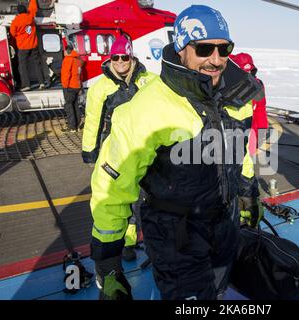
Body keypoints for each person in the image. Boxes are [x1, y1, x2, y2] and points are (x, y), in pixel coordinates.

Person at [88, 5, 264, 300]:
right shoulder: (148, 108)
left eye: (224, 49)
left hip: (225, 225)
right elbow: (112, 187)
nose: (216, 60)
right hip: (176, 236)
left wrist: (248, 191)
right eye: (205, 49)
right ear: (181, 49)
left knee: (217, 292)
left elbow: (239, 149)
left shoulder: (234, 96)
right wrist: (107, 262)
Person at [82, 35, 156, 262]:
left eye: (125, 57)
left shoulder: (150, 81)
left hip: (144, 147)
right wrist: (90, 150)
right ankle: (122, 241)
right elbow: (93, 119)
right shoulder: (100, 88)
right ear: (110, 59)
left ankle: (137, 239)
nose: (121, 62)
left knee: (144, 196)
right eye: (116, 58)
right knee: (118, 196)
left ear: (131, 56)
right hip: (114, 149)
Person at [230, 53, 269, 155]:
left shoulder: (258, 87)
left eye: (250, 71)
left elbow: (260, 110)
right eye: (244, 71)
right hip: (229, 133)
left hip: (250, 134)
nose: (247, 74)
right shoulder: (227, 86)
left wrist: (261, 131)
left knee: (247, 163)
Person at [10, 0, 48, 91]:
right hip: (33, 45)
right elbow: (33, 8)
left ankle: (26, 85)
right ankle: (42, 83)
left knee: (23, 66)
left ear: (18, 12)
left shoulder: (16, 21)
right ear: (25, 10)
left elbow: (12, 33)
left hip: (23, 47)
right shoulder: (30, 17)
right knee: (37, 64)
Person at [61, 44, 83, 132]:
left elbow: (66, 74)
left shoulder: (68, 59)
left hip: (70, 86)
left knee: (69, 106)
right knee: (75, 105)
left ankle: (72, 127)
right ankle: (77, 125)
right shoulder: (77, 60)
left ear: (67, 51)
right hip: (77, 85)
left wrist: (65, 86)